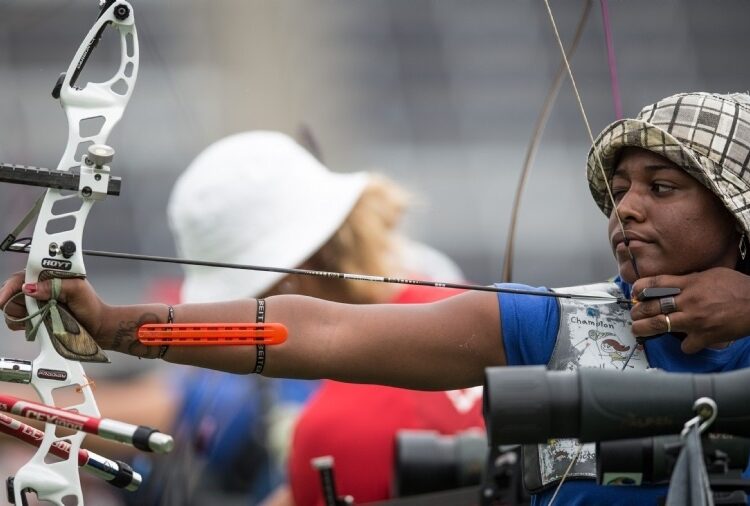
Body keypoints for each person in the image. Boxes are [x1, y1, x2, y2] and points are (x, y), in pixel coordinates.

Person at [3, 91, 750, 506]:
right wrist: (117, 327)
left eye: (662, 188)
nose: (625, 210)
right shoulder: (555, 322)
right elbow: (314, 333)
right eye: (618, 191)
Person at [164, 130, 483, 505]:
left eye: (248, 307)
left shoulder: (328, 434)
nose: (240, 331)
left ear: (293, 278)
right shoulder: (477, 309)